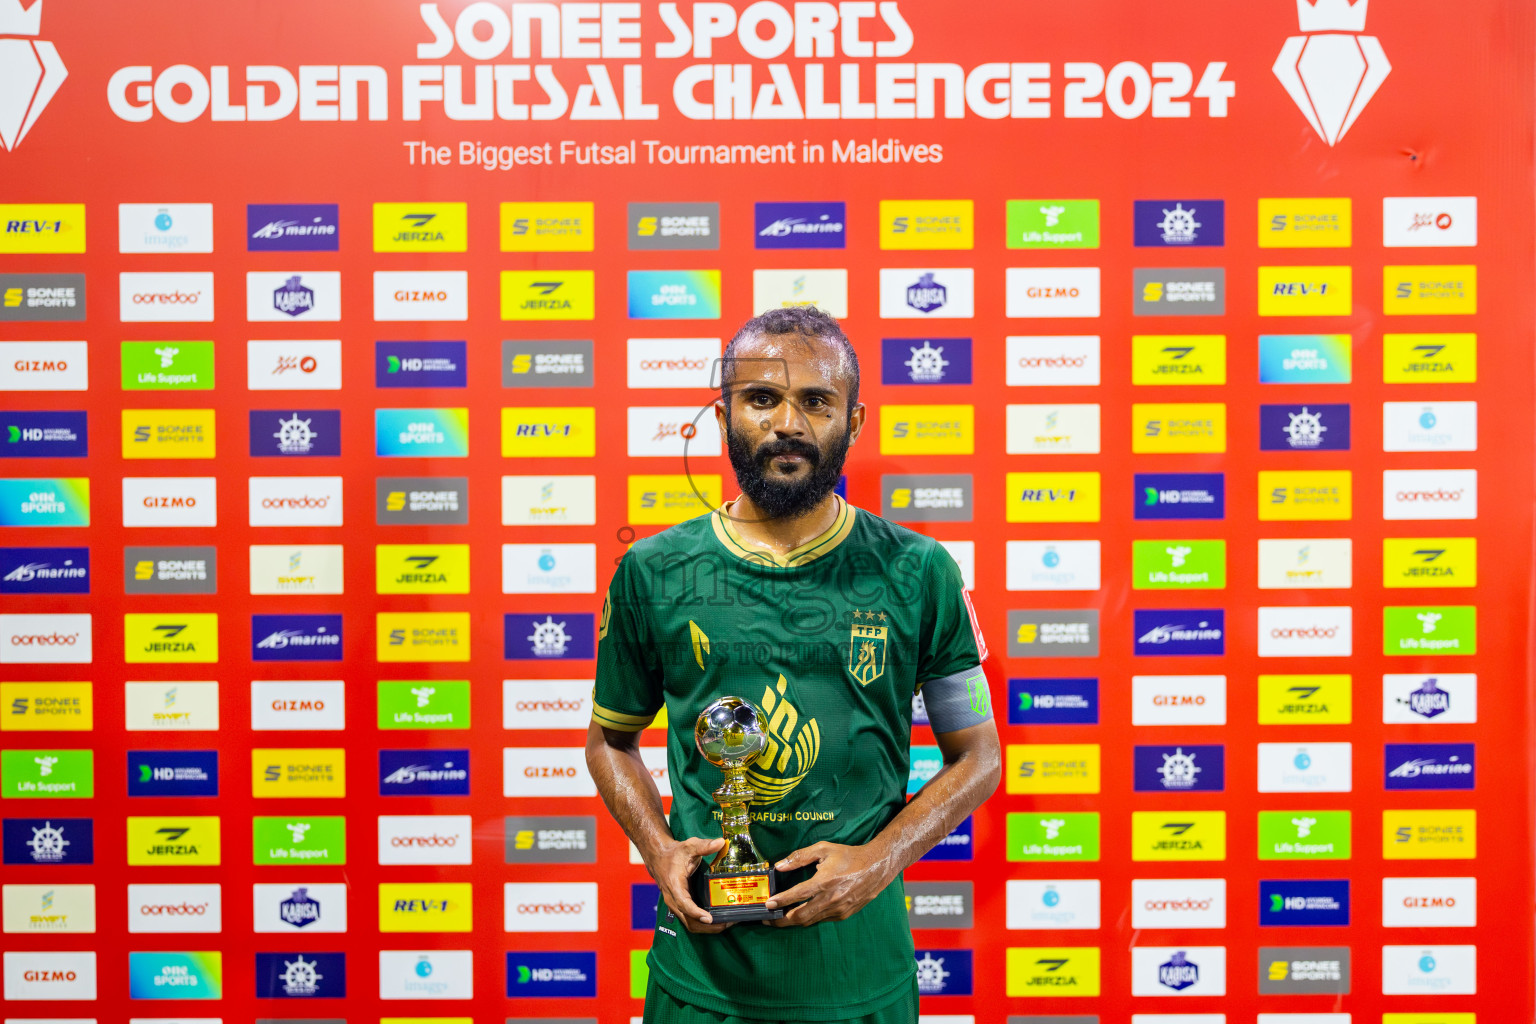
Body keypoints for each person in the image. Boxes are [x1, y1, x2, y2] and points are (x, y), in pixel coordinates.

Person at [587, 305, 1001, 1024]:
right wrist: (656, 848)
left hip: (859, 969)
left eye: (815, 400)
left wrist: (882, 857)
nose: (787, 423)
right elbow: (609, 742)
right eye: (761, 399)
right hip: (702, 977)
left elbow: (980, 757)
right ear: (722, 418)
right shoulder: (653, 571)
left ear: (855, 421)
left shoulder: (919, 570)